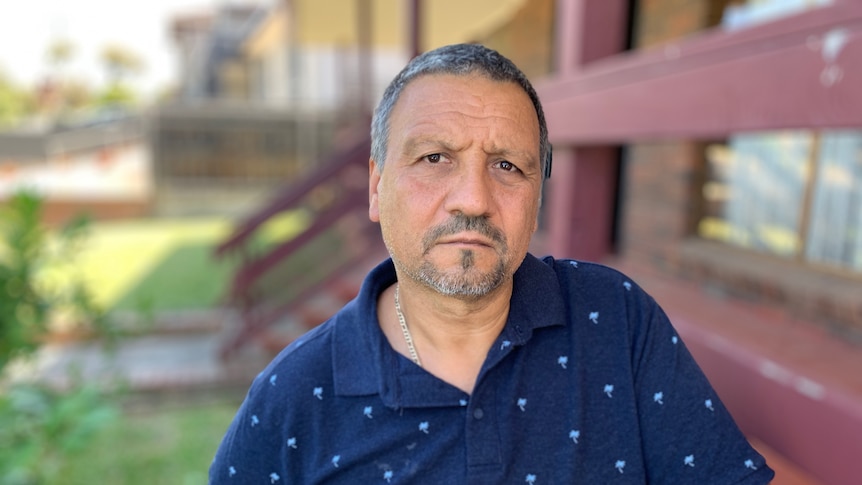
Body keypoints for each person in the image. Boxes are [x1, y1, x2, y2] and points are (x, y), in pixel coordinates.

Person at [210, 43, 774, 484]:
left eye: (507, 166)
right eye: (435, 158)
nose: (474, 199)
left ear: (536, 200)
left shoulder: (616, 323)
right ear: (378, 188)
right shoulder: (293, 397)